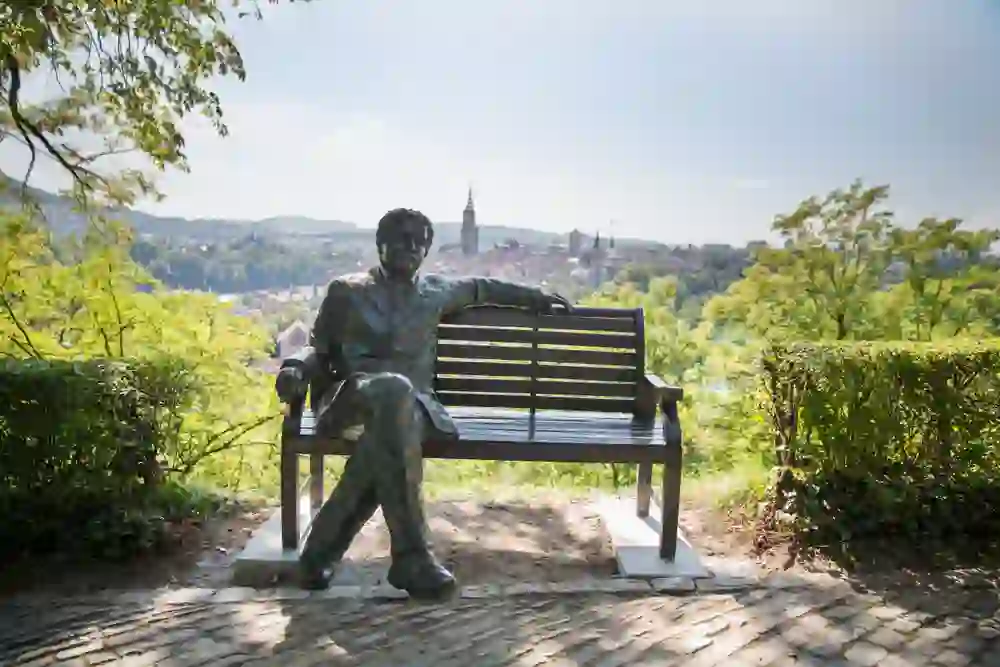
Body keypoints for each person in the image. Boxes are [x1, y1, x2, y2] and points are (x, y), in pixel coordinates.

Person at [274, 208, 570, 600]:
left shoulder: (436, 292)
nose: (410, 247)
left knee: (392, 430)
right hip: (351, 400)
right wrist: (295, 367)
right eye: (401, 238)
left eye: (419, 241)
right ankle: (412, 556)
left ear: (427, 249)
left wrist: (536, 299)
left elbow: (482, 287)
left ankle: (318, 554)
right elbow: (318, 346)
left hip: (412, 410)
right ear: (380, 244)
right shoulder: (346, 291)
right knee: (393, 393)